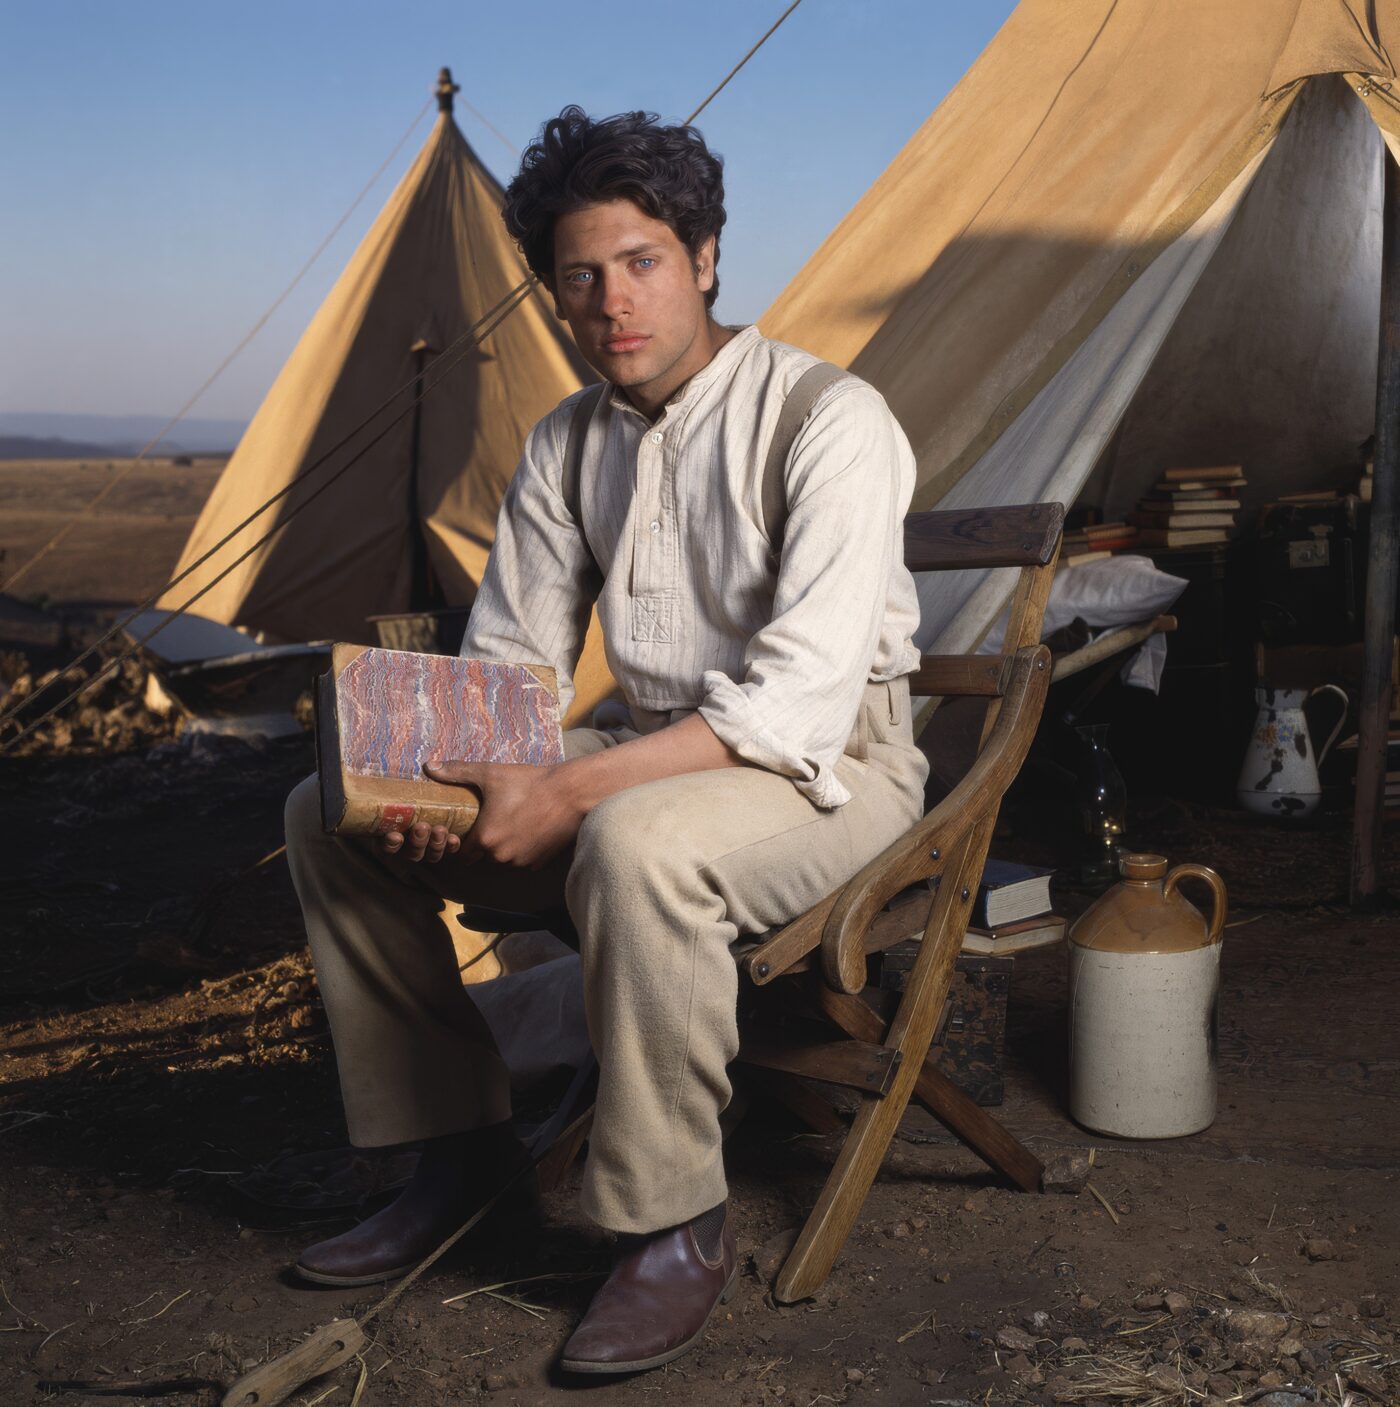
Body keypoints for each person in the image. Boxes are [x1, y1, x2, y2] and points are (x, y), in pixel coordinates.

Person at [283, 106, 927, 1375]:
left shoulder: (830, 417)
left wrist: (566, 790)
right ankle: (456, 1153)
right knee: (325, 811)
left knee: (632, 842)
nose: (611, 302)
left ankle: (669, 1224)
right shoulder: (568, 440)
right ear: (552, 292)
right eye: (579, 276)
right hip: (652, 755)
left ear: (703, 257)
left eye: (640, 261)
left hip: (834, 771)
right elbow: (509, 667)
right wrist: (443, 782)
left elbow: (793, 709)